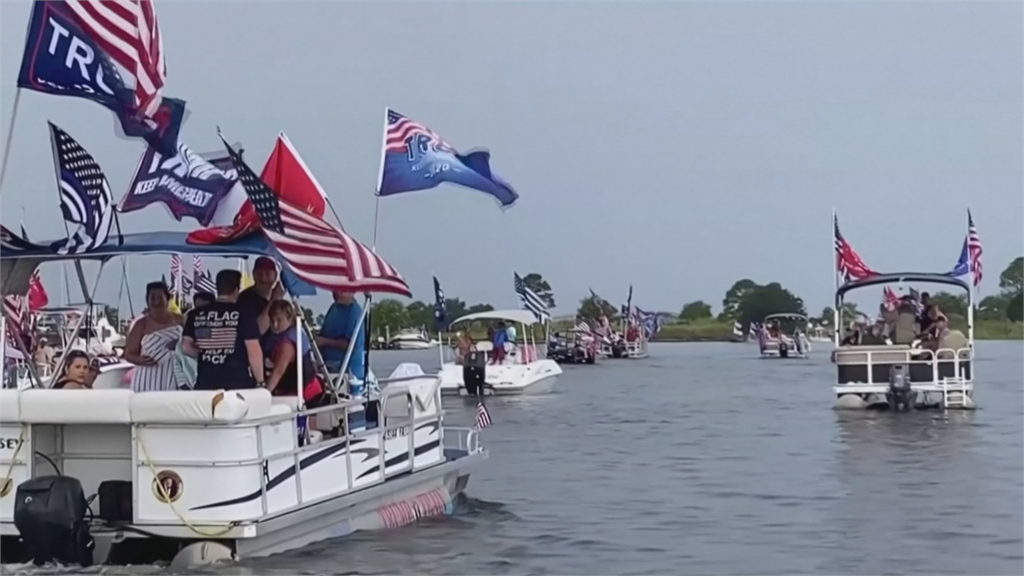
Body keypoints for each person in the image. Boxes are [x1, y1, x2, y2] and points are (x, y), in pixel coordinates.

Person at [182, 270, 264, 390]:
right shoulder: (244, 313)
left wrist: (207, 353)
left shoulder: (196, 314)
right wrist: (260, 382)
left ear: (217, 287)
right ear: (237, 289)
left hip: (206, 382)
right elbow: (254, 352)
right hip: (237, 384)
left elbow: (186, 347)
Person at [123, 282, 183, 392]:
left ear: (167, 298)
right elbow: (128, 353)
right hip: (147, 377)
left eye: (159, 297)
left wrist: (178, 345)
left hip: (173, 375)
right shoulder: (141, 324)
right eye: (152, 297)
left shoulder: (181, 320)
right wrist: (140, 360)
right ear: (147, 300)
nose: (156, 301)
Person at [261, 300, 324, 402]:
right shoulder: (292, 333)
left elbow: (278, 371)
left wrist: (263, 395)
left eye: (279, 320)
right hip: (309, 387)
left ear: (290, 318)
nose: (275, 325)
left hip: (304, 393)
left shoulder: (287, 343)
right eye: (272, 320)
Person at [316, 291, 366, 392]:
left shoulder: (355, 312)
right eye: (335, 289)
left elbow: (350, 345)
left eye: (342, 290)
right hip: (328, 370)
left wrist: (324, 341)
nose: (337, 293)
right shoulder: (333, 308)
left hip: (348, 373)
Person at [173, 291, 215, 389]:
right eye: (197, 308)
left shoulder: (222, 336)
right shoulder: (182, 341)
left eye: (204, 308)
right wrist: (183, 385)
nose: (200, 312)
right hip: (190, 389)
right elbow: (177, 363)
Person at [237, 257, 285, 336]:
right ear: (253, 275)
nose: (263, 278)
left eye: (267, 274)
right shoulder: (245, 299)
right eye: (259, 274)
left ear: (275, 275)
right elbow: (257, 330)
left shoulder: (279, 297)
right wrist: (275, 300)